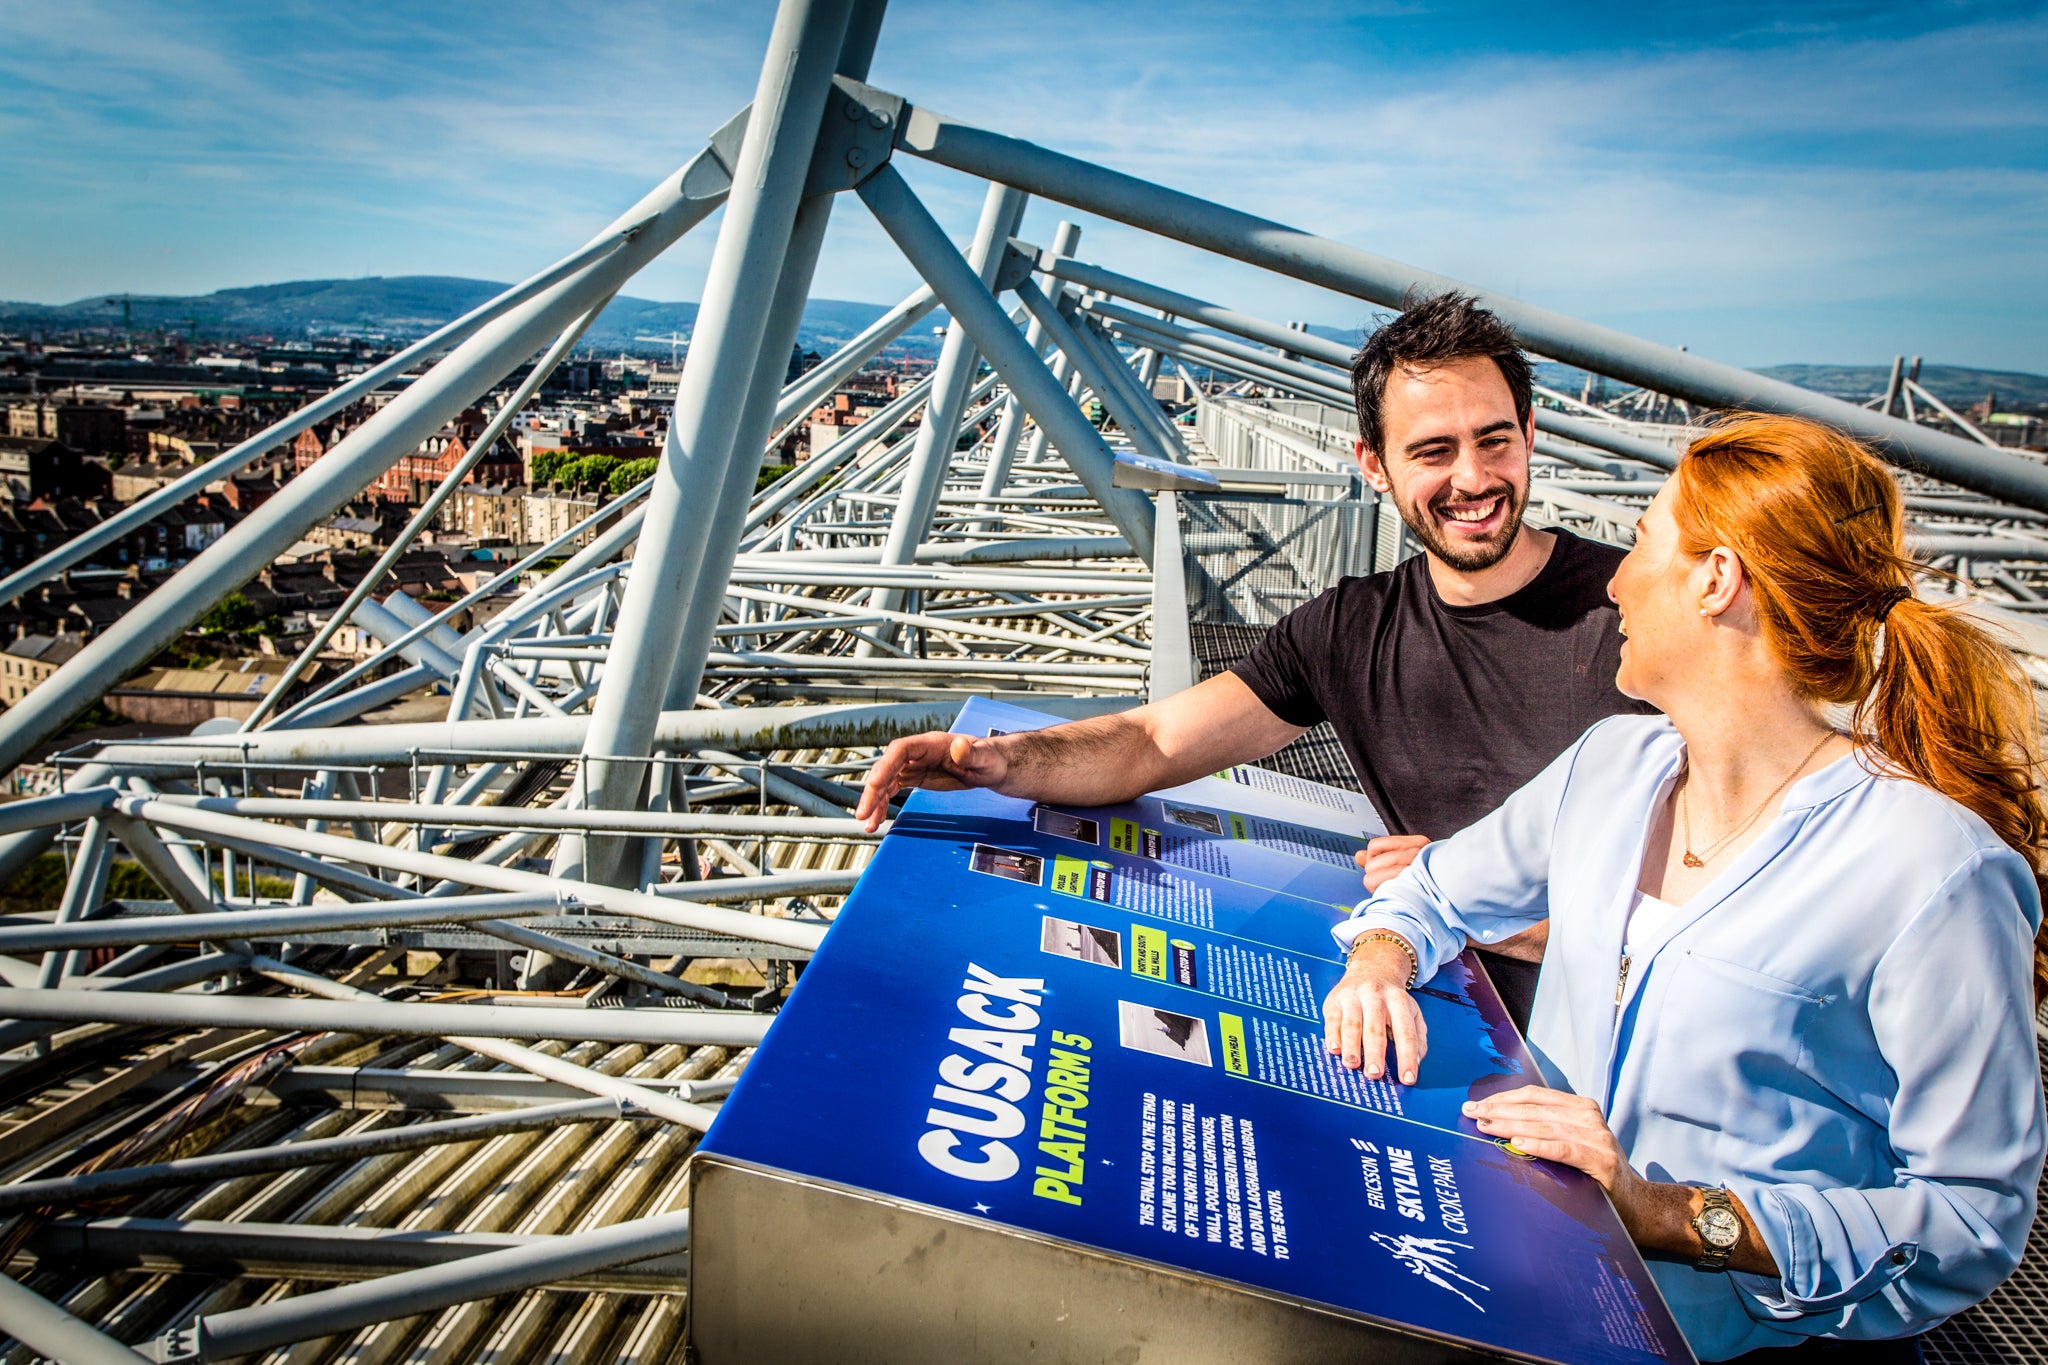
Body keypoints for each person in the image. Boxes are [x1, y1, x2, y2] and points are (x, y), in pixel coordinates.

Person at [1322, 413, 2047, 1361]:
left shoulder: (1934, 868)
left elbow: (1969, 1217)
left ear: (1717, 580)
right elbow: (1432, 890)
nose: (1615, 579)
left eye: (1640, 543)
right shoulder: (1612, 765)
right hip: (1554, 1309)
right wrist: (1379, 963)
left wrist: (1662, 1211)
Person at [857, 292, 1653, 1029]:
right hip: (1454, 1039)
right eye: (1433, 451)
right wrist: (1000, 759)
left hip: (1625, 1072)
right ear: (1373, 464)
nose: (1472, 478)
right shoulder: (1351, 629)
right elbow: (1155, 741)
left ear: (1530, 432)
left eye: (1494, 439)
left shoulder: (1640, 618)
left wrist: (1462, 896)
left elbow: (1711, 917)